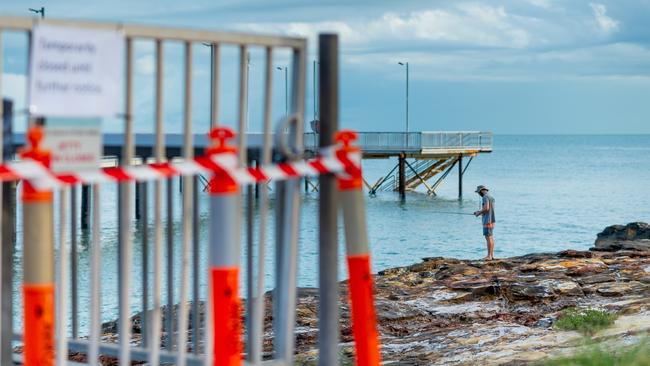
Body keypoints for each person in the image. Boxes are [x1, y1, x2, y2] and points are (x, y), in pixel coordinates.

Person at [474, 185, 496, 260]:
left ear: (481, 191)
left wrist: (479, 213)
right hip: (492, 220)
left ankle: (489, 256)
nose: (478, 194)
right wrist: (479, 212)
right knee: (491, 238)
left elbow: (486, 208)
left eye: (478, 192)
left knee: (488, 238)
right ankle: (491, 255)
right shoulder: (491, 197)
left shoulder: (485, 197)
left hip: (487, 221)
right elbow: (488, 210)